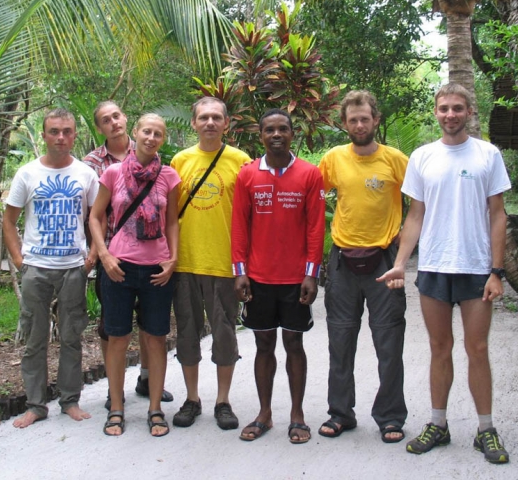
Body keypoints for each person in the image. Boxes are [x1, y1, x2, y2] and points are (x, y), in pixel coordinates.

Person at [377, 83, 512, 464]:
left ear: (469, 111)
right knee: (440, 349)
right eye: (443, 108)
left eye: (457, 108)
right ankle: (439, 424)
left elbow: (498, 214)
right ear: (435, 112)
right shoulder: (422, 157)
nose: (450, 114)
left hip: (475, 269)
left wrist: (496, 271)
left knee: (478, 349)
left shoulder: (488, 155)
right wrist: (401, 262)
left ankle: (486, 429)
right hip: (434, 267)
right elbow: (415, 215)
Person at [317, 90, 409, 443]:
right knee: (340, 341)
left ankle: (390, 417)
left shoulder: (396, 160)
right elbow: (313, 196)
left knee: (389, 343)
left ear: (376, 120)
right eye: (352, 119)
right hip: (342, 261)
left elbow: (421, 202)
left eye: (364, 118)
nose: (359, 124)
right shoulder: (334, 159)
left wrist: (404, 238)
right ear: (344, 124)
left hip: (384, 262)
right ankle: (341, 413)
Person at [231, 109, 325, 444]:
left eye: (282, 129)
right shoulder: (247, 175)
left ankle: (297, 416)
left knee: (294, 342)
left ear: (292, 133)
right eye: (269, 130)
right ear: (260, 135)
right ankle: (264, 414)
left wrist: (311, 274)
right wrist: (239, 272)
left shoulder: (310, 174)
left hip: (295, 279)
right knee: (263, 343)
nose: (276, 135)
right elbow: (239, 226)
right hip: (258, 278)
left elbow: (316, 228)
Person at [4, 108, 99, 429]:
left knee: (72, 337)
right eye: (54, 131)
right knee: (34, 338)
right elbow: (9, 221)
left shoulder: (86, 174)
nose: (61, 137)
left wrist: (93, 255)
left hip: (74, 268)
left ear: (74, 135)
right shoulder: (27, 174)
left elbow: (97, 219)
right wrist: (19, 260)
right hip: (36, 269)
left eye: (67, 131)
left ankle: (70, 400)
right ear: (44, 135)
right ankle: (35, 404)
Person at [89, 113, 181, 437]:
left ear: (162, 139)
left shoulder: (169, 176)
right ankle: (116, 407)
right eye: (146, 131)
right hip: (119, 266)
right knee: (117, 338)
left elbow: (172, 222)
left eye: (158, 133)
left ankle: (155, 409)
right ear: (136, 133)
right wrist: (104, 254)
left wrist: (173, 258)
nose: (151, 137)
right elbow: (96, 217)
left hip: (157, 268)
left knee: (156, 338)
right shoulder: (113, 173)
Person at [170, 97, 251, 430]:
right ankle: (192, 398)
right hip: (185, 263)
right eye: (203, 117)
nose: (210, 123)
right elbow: (169, 215)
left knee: (225, 335)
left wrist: (246, 267)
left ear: (226, 123)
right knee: (187, 334)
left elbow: (249, 217)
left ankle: (223, 401)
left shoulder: (241, 161)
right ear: (193, 123)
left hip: (224, 264)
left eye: (216, 117)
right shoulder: (180, 160)